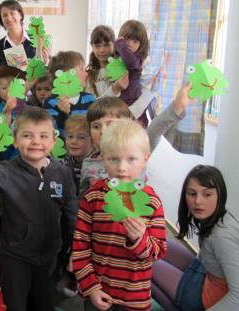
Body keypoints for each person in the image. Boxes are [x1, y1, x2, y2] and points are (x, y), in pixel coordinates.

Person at [0, 106, 78, 311]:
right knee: (15, 305)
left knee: (44, 304)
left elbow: (71, 217)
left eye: (43, 136)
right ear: (15, 140)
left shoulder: (62, 172)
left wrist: (73, 251)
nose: (36, 142)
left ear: (53, 141)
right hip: (15, 258)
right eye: (27, 135)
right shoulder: (5, 170)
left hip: (50, 257)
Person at [72, 119, 167, 311]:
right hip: (98, 294)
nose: (122, 167)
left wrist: (139, 239)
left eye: (131, 159)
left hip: (134, 298)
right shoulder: (93, 197)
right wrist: (91, 288)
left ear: (145, 159)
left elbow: (158, 252)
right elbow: (80, 249)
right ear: (103, 158)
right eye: (113, 159)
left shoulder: (151, 200)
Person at [152, 165, 239, 311]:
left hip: (210, 297)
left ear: (220, 195)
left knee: (141, 263)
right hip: (206, 272)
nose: (198, 202)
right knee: (154, 244)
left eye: (207, 194)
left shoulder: (223, 237)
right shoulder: (219, 215)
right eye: (192, 193)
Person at [79, 84, 195, 196]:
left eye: (110, 124)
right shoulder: (88, 164)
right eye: (96, 126)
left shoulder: (135, 149)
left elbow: (155, 130)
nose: (103, 131)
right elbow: (83, 201)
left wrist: (177, 107)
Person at [43, 51, 95, 136]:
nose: (86, 73)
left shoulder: (90, 99)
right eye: (82, 69)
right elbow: (54, 133)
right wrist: (62, 114)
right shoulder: (50, 102)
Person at [115, 20, 150, 126]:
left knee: (138, 124)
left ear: (141, 45)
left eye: (135, 41)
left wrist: (121, 44)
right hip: (119, 98)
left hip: (133, 98)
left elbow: (129, 60)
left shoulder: (137, 59)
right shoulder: (119, 57)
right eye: (127, 39)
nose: (130, 44)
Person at [0, 0, 36, 74]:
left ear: (20, 15)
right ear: (1, 20)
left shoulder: (36, 40)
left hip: (33, 85)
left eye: (12, 13)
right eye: (4, 15)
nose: (9, 18)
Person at [85, 25, 129, 99]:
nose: (102, 50)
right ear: (92, 46)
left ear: (114, 44)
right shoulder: (88, 76)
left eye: (106, 45)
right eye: (98, 46)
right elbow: (91, 105)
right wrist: (114, 89)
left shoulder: (122, 68)